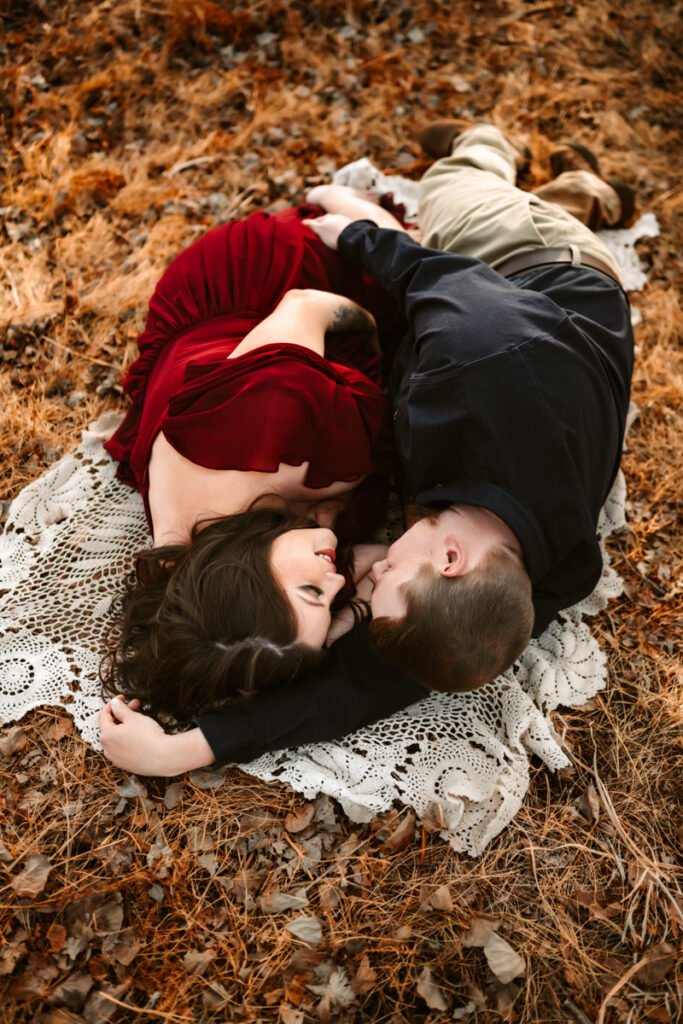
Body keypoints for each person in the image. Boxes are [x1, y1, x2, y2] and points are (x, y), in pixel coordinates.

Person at [100, 123, 634, 775]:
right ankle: (524, 171)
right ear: (449, 557)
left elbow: (382, 676)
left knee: (457, 205)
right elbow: (444, 283)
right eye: (371, 586)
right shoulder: (476, 369)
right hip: (535, 274)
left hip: (524, 300)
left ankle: (529, 168)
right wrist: (360, 235)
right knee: (450, 216)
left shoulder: (527, 576)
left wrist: (198, 745)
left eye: (347, 595)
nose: (360, 569)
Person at [98, 203, 407, 728]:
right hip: (224, 358)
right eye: (330, 604)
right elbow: (384, 561)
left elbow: (306, 306)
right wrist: (332, 622)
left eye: (315, 592)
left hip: (255, 280)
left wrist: (388, 323)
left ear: (243, 581)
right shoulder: (205, 576)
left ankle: (350, 206)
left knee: (410, 264)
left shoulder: (276, 426)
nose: (337, 585)